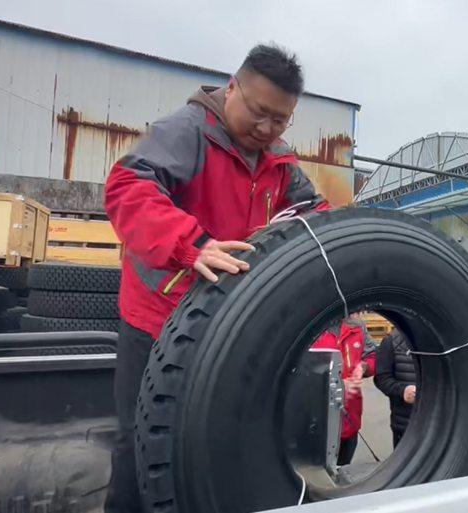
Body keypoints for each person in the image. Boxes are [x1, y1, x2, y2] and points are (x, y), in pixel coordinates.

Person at [103, 44, 327, 511]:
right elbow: (128, 187)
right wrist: (192, 244)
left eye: (280, 120)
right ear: (232, 88)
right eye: (258, 113)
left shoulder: (279, 159)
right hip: (157, 318)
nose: (266, 129)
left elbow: (314, 214)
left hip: (227, 320)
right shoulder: (186, 132)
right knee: (141, 441)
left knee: (219, 436)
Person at [312, 315, 377, 465]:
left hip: (349, 418)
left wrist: (363, 367)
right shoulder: (309, 327)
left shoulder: (357, 327)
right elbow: (298, 370)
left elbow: (373, 355)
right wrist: (337, 385)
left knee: (343, 468)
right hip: (317, 420)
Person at [374, 329, 417, 447]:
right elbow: (381, 378)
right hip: (405, 424)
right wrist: (402, 391)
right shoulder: (392, 341)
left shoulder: (442, 340)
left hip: (441, 425)